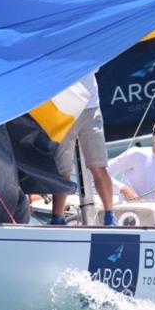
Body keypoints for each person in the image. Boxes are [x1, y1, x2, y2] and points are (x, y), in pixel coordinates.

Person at [50, 72, 117, 226]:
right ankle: (57, 218)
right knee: (63, 169)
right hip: (63, 109)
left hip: (90, 107)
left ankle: (109, 215)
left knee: (98, 166)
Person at [108, 117, 155, 201]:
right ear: (153, 136)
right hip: (127, 212)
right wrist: (124, 189)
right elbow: (103, 173)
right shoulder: (137, 154)